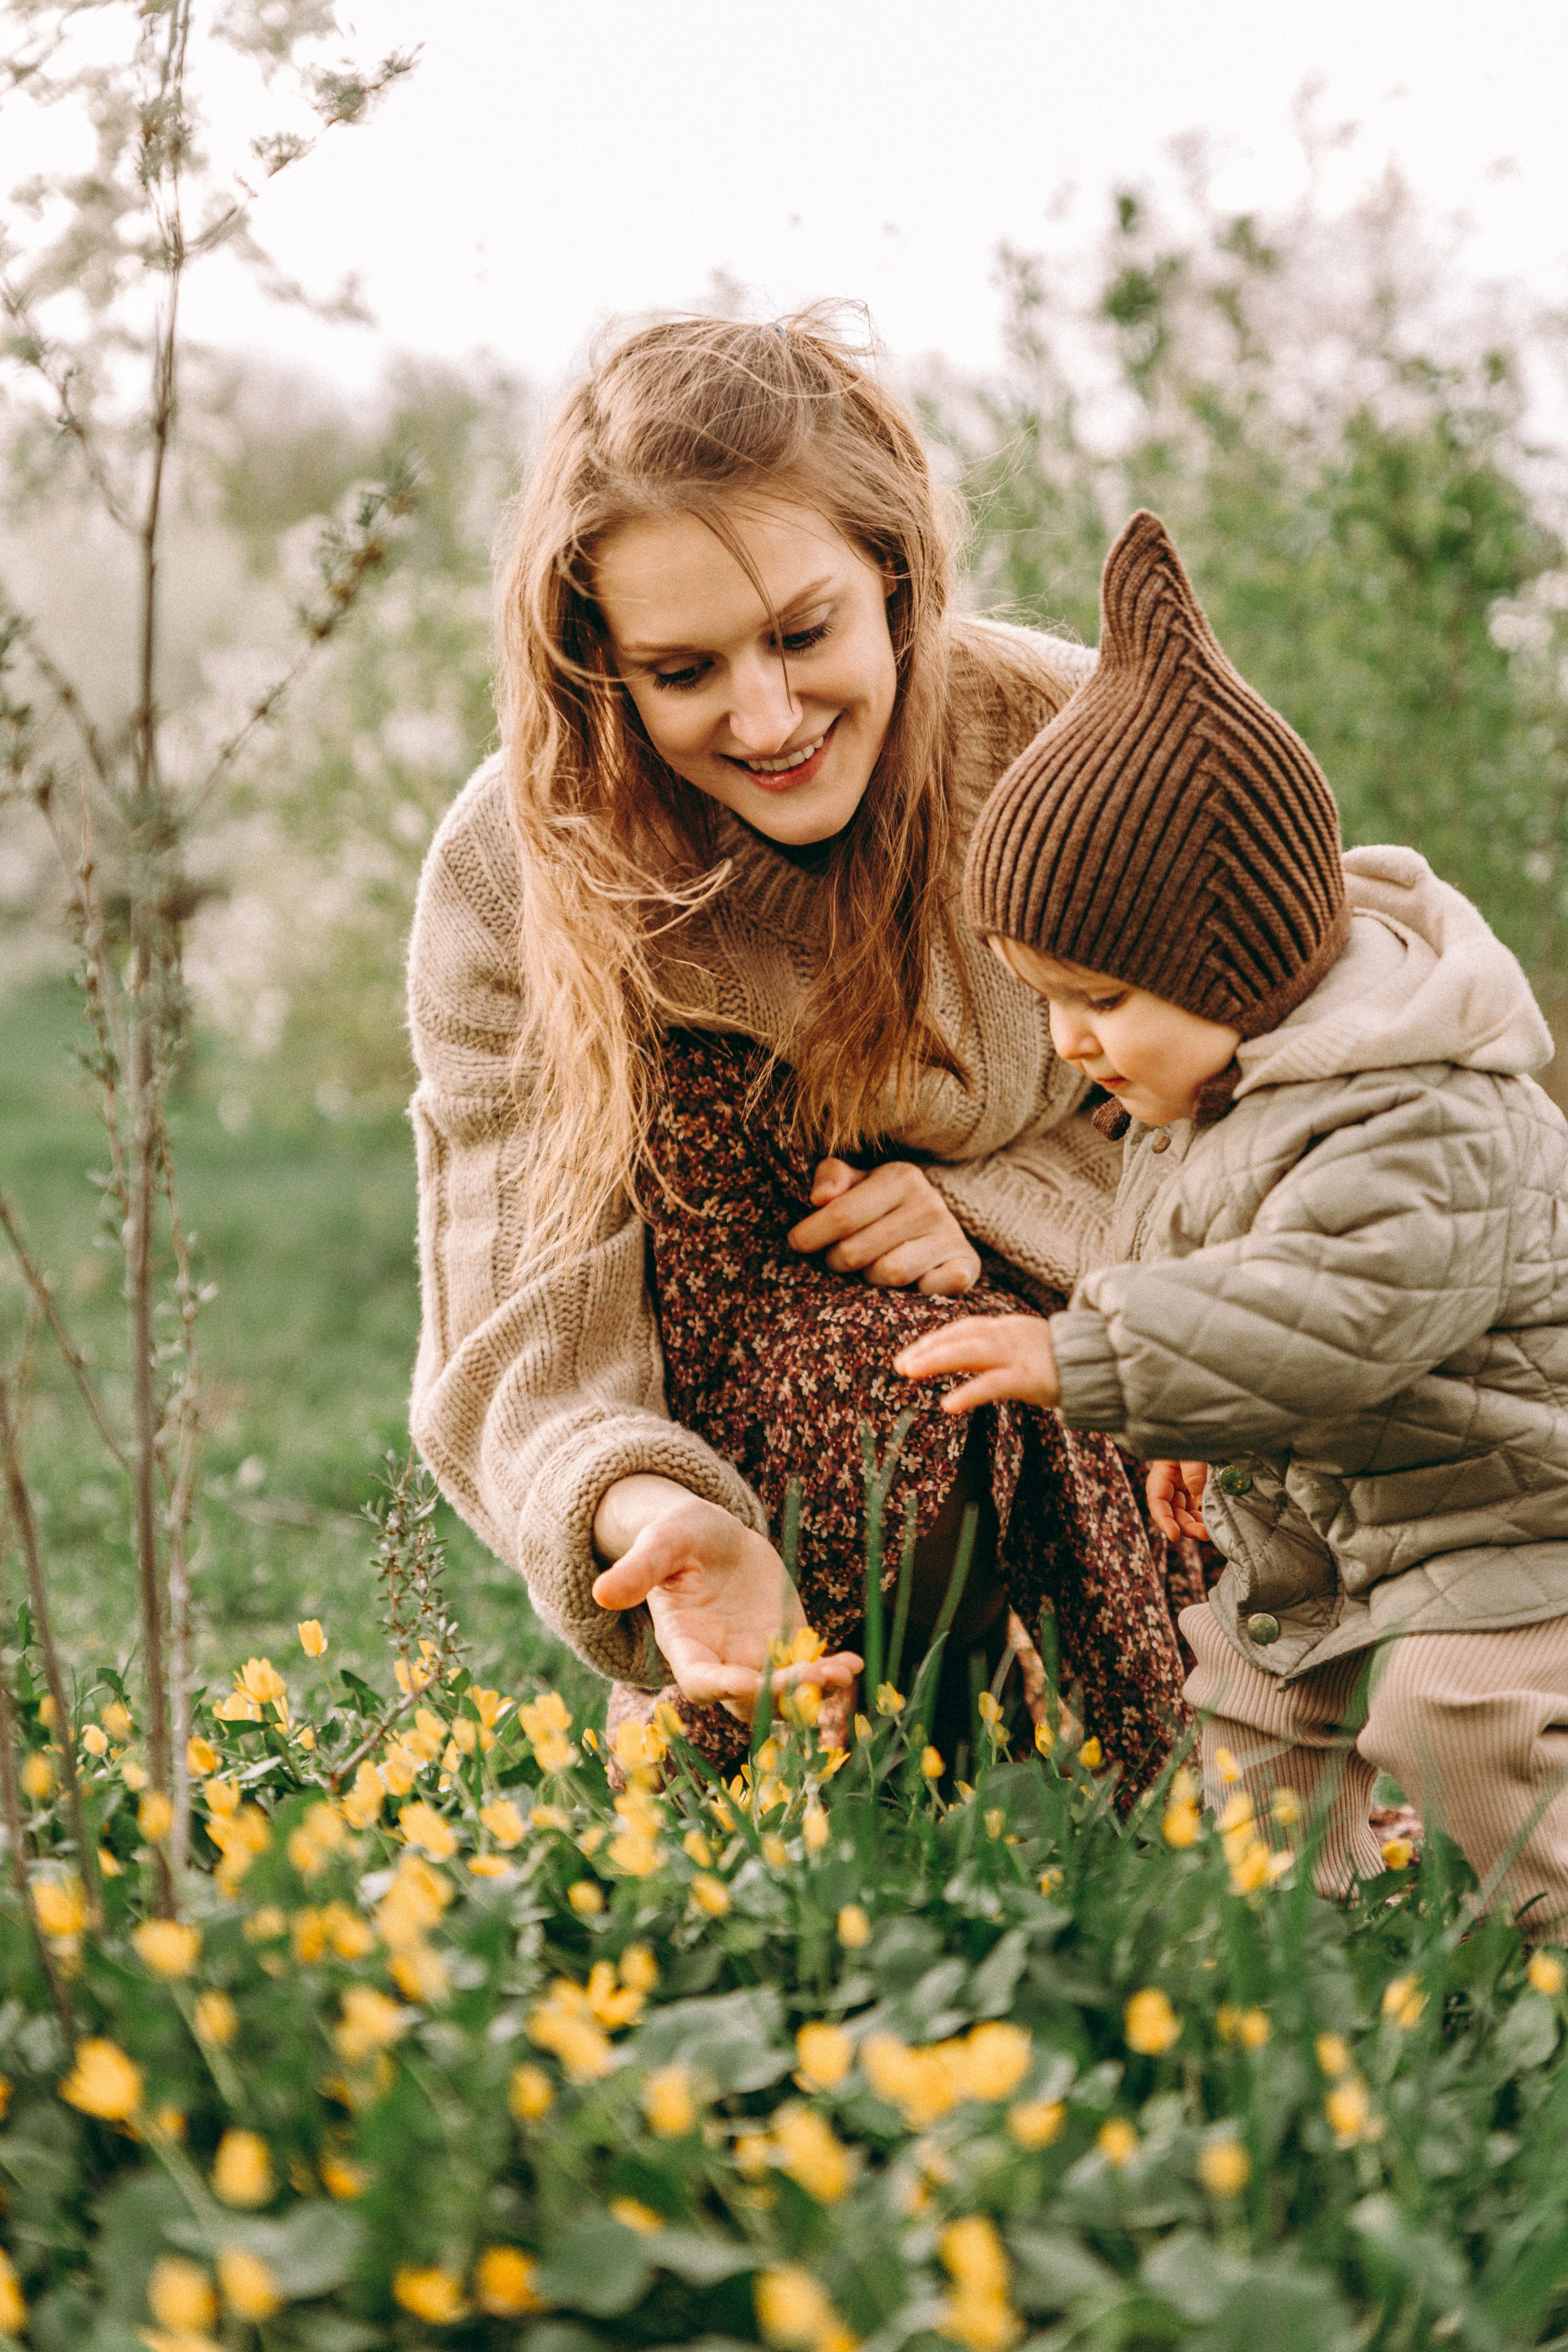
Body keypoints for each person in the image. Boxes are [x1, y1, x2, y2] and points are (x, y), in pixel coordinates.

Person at [407, 314, 1202, 1791]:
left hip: (1133, 1378)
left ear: (893, 576)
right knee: (872, 1375)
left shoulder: (1066, 743)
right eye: (682, 670)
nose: (767, 719)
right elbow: (517, 1331)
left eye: (801, 634)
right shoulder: (516, 871)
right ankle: (838, 1745)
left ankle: (1127, 1720)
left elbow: (1280, 1141)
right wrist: (649, 1510)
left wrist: (983, 1211)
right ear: (599, 667)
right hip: (758, 1432)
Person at [898, 507, 1568, 1930]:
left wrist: (1089, 1359)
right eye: (1042, 1001)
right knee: (1251, 1705)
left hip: (1509, 1516)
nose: (1067, 1041)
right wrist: (1199, 1432)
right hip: (1336, 1513)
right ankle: (1289, 1943)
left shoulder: (1424, 1111)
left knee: (1455, 1722)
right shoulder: (1203, 1097)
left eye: (1098, 998)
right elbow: (1219, 1282)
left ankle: (1546, 1947)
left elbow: (1325, 1316)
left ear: (1237, 964)